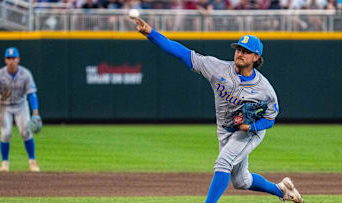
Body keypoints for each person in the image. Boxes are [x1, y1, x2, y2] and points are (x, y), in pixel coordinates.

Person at [130, 17, 304, 203]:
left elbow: (270, 119)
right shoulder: (217, 68)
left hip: (250, 131)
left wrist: (250, 127)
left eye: (246, 51)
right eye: (238, 49)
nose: (240, 53)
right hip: (224, 128)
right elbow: (181, 53)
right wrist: (150, 33)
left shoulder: (265, 90)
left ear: (256, 58)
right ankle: (282, 191)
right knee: (241, 181)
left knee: (223, 162)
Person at [0, 47, 41, 173]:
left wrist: (35, 112)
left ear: (18, 59)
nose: (11, 61)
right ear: (5, 60)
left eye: (13, 58)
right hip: (4, 106)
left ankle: (32, 162)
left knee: (26, 133)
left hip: (21, 105)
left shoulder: (26, 74)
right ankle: (4, 163)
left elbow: (32, 94)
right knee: (6, 134)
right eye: (9, 58)